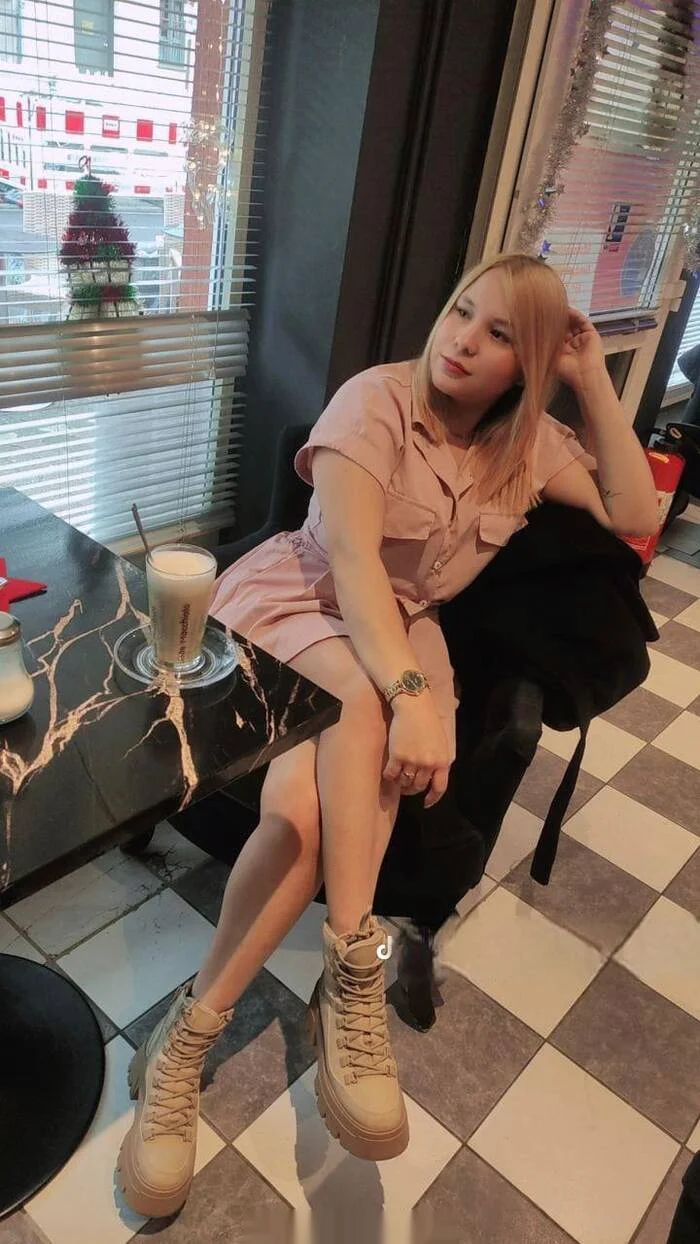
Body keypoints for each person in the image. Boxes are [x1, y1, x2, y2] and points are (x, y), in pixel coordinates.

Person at [116, 253, 658, 1217]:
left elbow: (634, 511)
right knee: (364, 710)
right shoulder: (375, 400)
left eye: (500, 335)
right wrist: (411, 695)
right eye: (462, 311)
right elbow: (356, 564)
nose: (463, 340)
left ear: (526, 365)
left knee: (300, 819)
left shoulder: (528, 444)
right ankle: (352, 962)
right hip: (295, 607)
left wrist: (586, 378)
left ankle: (182, 1042)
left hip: (400, 631)